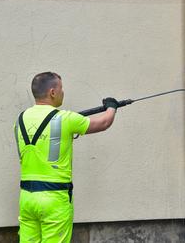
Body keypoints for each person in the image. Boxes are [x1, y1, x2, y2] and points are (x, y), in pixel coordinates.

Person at [14, 72, 119, 242]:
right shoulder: (65, 119)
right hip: (55, 199)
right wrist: (112, 106)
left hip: (26, 198)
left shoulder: (20, 120)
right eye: (61, 88)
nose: (63, 92)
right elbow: (104, 122)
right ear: (52, 92)